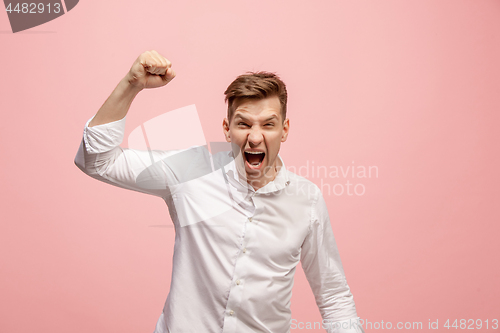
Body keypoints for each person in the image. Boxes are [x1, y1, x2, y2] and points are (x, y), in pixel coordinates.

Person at [74, 50, 365, 333]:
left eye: (268, 125)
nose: (254, 137)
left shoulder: (307, 200)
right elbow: (96, 161)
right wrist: (131, 83)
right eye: (243, 123)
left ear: (285, 130)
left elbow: (334, 297)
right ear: (227, 128)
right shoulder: (190, 172)